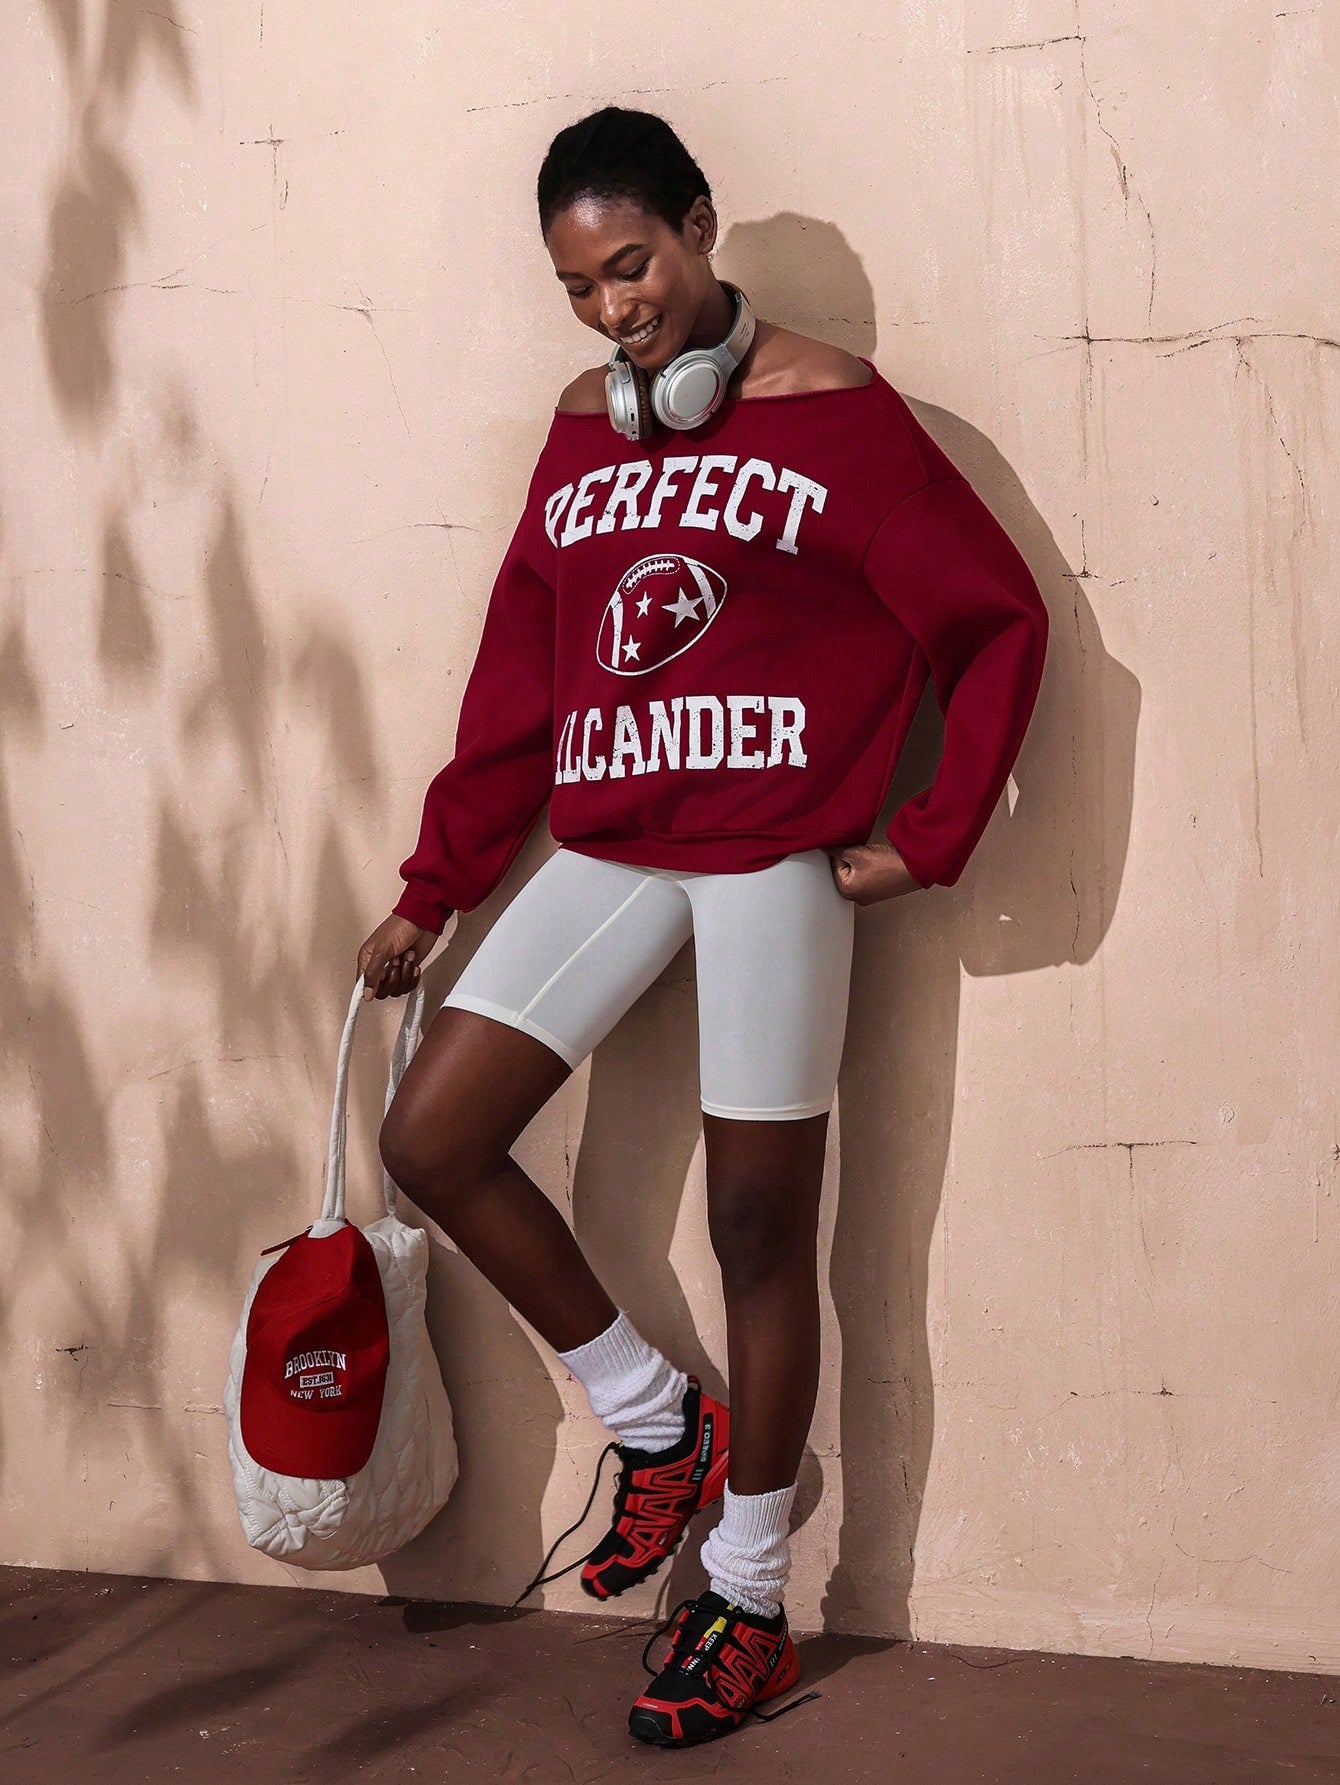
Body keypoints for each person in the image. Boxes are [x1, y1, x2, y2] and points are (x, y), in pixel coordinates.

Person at [357, 105, 1049, 1749]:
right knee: (433, 1137)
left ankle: (750, 1593)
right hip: (608, 844)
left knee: (758, 1229)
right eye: (580, 288)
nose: (614, 313)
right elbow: (515, 684)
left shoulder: (842, 420)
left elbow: (994, 617)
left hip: (769, 862)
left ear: (699, 225)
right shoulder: (584, 435)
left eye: (634, 266)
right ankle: (654, 1421)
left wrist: (928, 835)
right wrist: (435, 883)